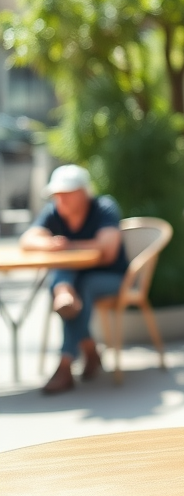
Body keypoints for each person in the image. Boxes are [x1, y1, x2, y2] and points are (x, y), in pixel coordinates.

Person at [20, 165, 129, 394]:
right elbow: (28, 239)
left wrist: (67, 246)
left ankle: (66, 365)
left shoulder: (103, 208)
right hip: (80, 281)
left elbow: (108, 250)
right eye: (57, 194)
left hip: (113, 279)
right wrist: (50, 244)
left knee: (76, 284)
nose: (60, 199)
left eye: (66, 193)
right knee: (73, 281)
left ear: (82, 192)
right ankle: (85, 350)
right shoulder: (54, 212)